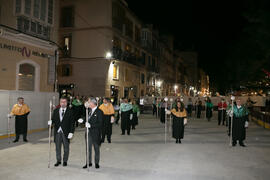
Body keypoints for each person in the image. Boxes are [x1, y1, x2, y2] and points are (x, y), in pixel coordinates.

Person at [48, 97, 75, 167]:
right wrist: (51, 122)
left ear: (67, 103)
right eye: (62, 102)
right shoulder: (56, 110)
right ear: (60, 103)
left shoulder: (70, 111)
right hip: (57, 132)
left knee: (66, 148)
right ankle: (58, 160)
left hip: (66, 132)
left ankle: (65, 160)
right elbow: (53, 119)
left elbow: (72, 123)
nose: (63, 103)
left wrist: (71, 132)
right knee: (57, 147)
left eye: (64, 102)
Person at [78, 98, 103, 169]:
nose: (87, 103)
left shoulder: (99, 112)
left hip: (95, 133)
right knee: (88, 149)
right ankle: (88, 162)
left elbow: (100, 124)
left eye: (89, 102)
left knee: (96, 148)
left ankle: (97, 163)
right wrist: (82, 120)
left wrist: (91, 125)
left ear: (92, 103)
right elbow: (86, 118)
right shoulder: (88, 110)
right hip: (88, 132)